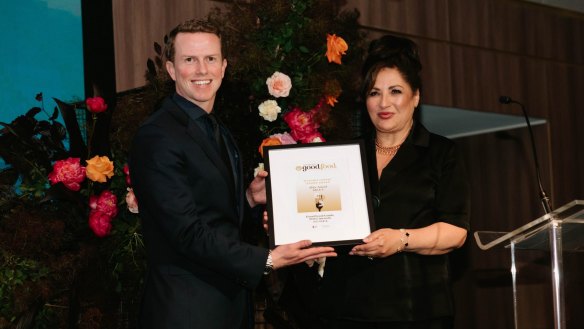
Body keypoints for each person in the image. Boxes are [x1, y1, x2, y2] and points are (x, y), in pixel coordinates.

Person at [128, 19, 336, 329]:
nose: (202, 69)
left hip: (227, 306)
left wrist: (250, 198)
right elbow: (186, 232)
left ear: (223, 67)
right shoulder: (158, 135)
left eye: (210, 59)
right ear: (171, 69)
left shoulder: (217, 130)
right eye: (189, 60)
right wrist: (267, 260)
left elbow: (214, 215)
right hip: (185, 311)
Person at [313, 34, 471, 328]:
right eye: (374, 93)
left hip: (417, 310)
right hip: (343, 308)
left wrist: (400, 240)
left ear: (416, 96)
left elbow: (455, 232)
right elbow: (322, 216)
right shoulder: (342, 155)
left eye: (395, 91)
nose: (384, 103)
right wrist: (290, 221)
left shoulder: (441, 152)